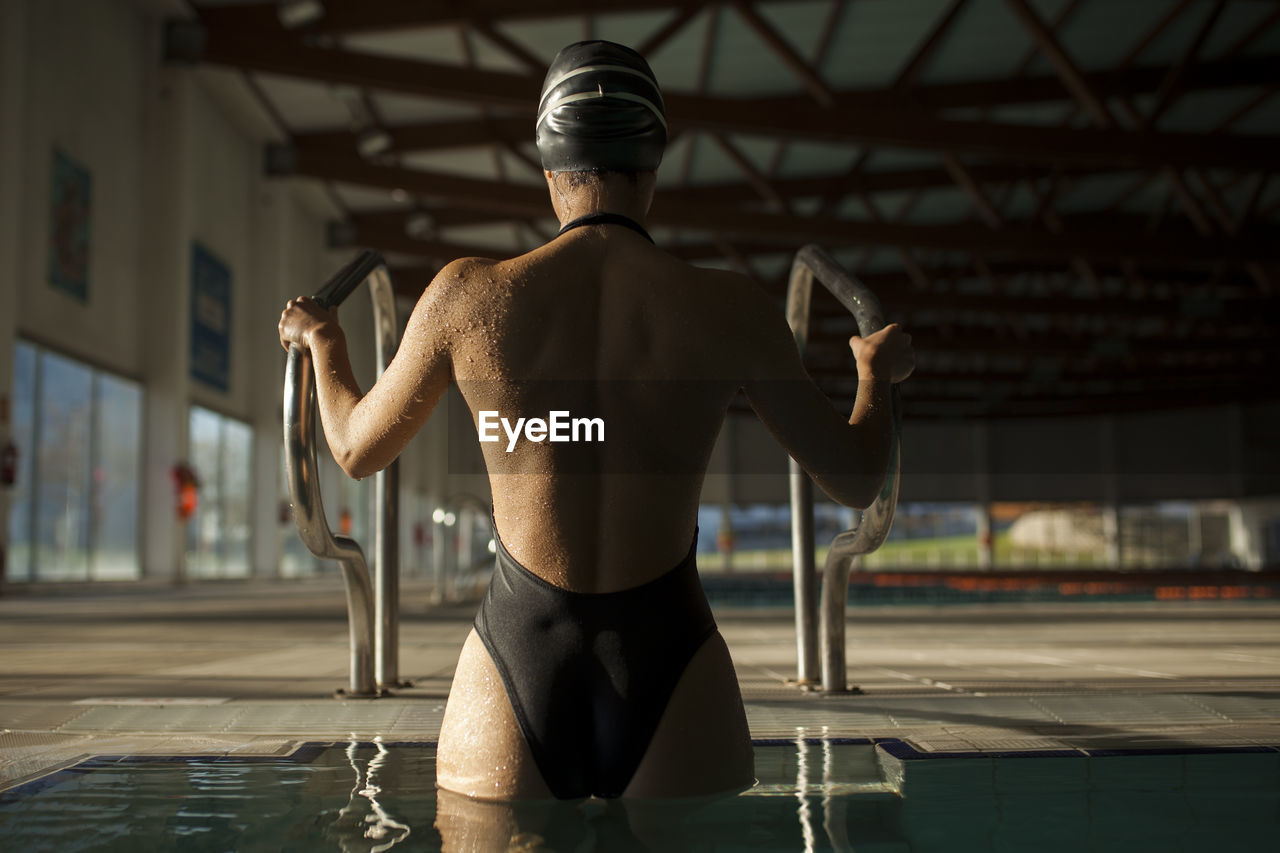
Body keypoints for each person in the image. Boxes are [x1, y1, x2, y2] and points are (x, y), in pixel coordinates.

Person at [278, 40, 914, 804]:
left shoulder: (466, 297)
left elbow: (352, 448)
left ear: (550, 171)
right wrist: (875, 374)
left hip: (516, 644)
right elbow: (852, 475)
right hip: (673, 655)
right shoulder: (730, 308)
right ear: (653, 168)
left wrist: (324, 342)